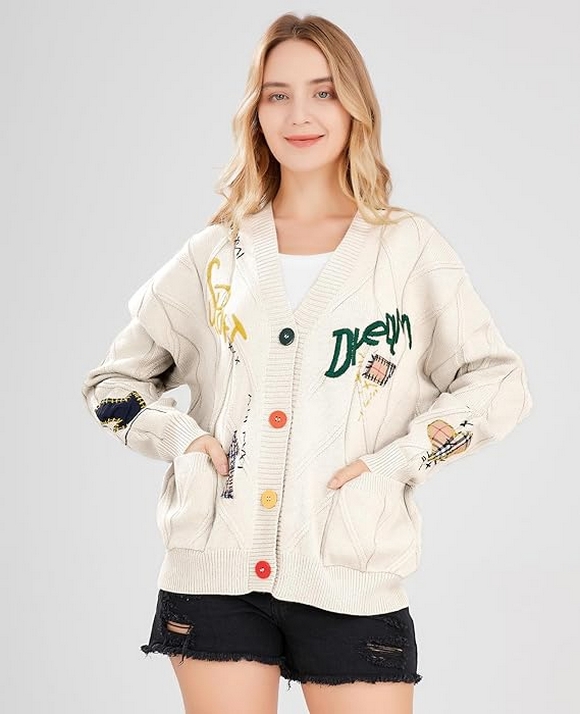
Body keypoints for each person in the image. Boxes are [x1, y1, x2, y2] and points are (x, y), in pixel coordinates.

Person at [81, 12, 533, 714]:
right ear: (255, 111)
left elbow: (498, 383)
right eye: (278, 94)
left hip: (351, 573)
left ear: (356, 106)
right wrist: (180, 439)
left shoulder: (407, 251)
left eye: (323, 92)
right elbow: (113, 384)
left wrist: (398, 461)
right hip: (214, 576)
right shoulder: (216, 254)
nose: (300, 114)